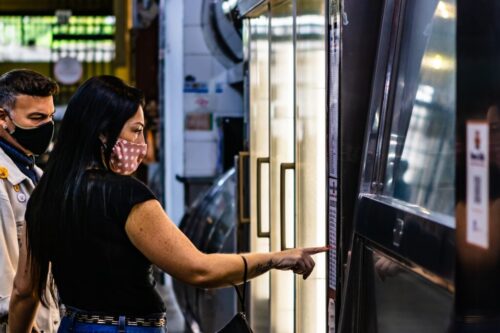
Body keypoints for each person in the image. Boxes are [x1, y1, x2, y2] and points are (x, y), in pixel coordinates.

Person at [8, 76, 328, 333]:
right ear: (103, 134)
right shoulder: (127, 196)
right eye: (135, 131)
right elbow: (198, 270)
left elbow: (25, 291)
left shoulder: (46, 193)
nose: (141, 144)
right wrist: (273, 258)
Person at [0, 69, 60, 333]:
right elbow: (5, 290)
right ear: (3, 118)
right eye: (36, 118)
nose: (46, 126)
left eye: (49, 117)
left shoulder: (33, 174)